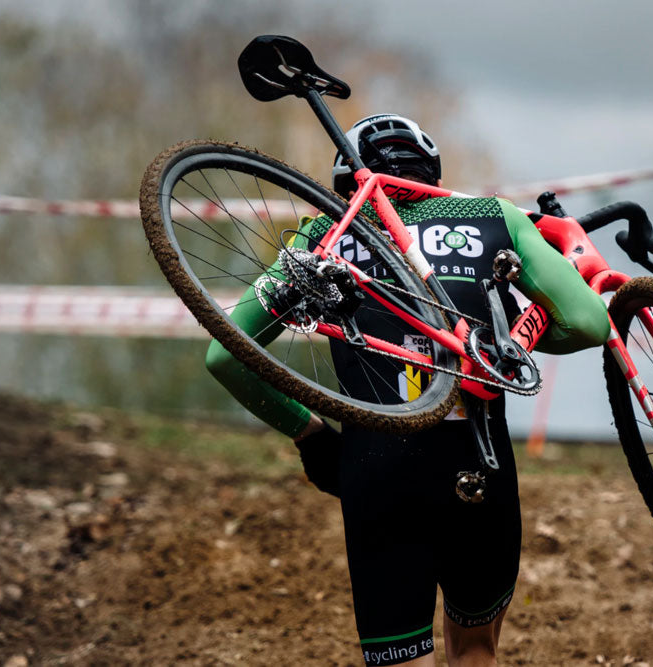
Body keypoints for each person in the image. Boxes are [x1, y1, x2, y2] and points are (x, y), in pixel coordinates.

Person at [205, 114, 610, 666]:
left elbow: (225, 354)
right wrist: (506, 346)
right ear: (432, 174)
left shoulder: (324, 231)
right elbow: (590, 322)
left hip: (375, 464)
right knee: (473, 649)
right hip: (477, 458)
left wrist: (311, 435)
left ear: (351, 181)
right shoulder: (494, 217)